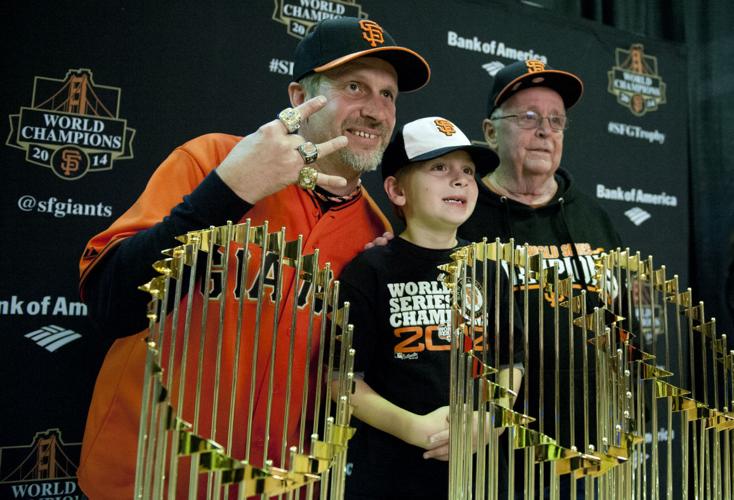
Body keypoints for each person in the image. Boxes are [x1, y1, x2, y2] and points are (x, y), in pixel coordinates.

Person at [75, 17, 430, 499]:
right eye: (354, 87)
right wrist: (228, 192)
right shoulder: (213, 160)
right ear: (300, 98)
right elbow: (111, 303)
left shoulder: (378, 234)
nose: (375, 110)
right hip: (147, 475)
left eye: (388, 95)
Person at [458, 60, 623, 497]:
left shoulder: (592, 216)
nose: (545, 131)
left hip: (586, 444)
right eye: (528, 117)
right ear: (491, 132)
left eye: (555, 120)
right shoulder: (457, 214)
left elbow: (622, 322)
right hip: (490, 450)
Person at [338, 116, 524, 499]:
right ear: (397, 190)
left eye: (467, 171)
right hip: (393, 474)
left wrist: (493, 419)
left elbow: (511, 363)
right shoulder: (369, 271)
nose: (459, 180)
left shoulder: (489, 271)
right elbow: (342, 379)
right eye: (439, 167)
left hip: (481, 474)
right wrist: (414, 428)